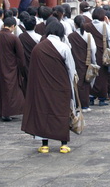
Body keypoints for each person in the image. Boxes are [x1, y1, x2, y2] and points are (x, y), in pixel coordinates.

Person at [21, 21, 77, 154]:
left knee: (43, 113)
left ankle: (44, 144)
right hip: (61, 86)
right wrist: (72, 87)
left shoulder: (38, 48)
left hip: (42, 87)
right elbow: (71, 69)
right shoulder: (64, 47)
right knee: (61, 112)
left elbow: (33, 71)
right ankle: (63, 144)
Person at [0, 17, 27, 121]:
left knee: (2, 90)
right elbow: (21, 56)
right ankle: (8, 112)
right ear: (13, 26)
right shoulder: (13, 38)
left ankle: (3, 112)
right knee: (12, 91)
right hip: (12, 69)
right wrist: (22, 70)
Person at [68, 15, 97, 112]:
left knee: (76, 83)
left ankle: (77, 105)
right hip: (86, 62)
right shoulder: (88, 35)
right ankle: (85, 105)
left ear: (75, 25)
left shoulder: (70, 36)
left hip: (74, 61)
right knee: (85, 83)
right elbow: (93, 49)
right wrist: (93, 61)